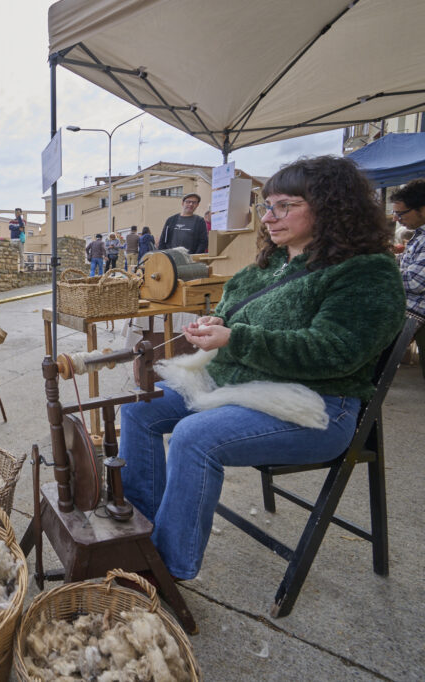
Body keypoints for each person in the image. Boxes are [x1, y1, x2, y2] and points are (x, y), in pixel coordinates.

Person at [118, 155, 405, 583]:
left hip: (316, 408)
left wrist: (236, 338)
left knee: (195, 438)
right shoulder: (266, 268)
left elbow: (336, 351)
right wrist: (218, 325)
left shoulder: (366, 273)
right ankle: (141, 533)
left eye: (285, 206)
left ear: (331, 206)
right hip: (238, 384)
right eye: (267, 206)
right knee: (138, 408)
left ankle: (167, 567)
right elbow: (234, 320)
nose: (269, 217)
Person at [390, 178, 425, 376]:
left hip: (415, 313)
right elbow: (404, 262)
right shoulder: (419, 235)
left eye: (401, 213)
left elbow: (415, 281)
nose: (396, 218)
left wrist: (382, 274)